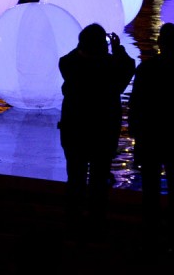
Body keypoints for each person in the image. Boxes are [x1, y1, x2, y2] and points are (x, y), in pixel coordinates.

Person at [127, 22, 174, 231]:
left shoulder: (146, 69)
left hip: (150, 135)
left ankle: (150, 230)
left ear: (159, 41)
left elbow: (135, 104)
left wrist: (137, 131)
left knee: (149, 188)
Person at [57, 23, 135, 221]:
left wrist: (83, 47)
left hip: (75, 131)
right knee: (99, 180)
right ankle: (96, 220)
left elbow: (66, 59)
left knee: (75, 178)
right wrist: (117, 48)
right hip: (103, 132)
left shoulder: (70, 65)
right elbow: (128, 66)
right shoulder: (111, 67)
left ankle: (72, 219)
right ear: (103, 45)